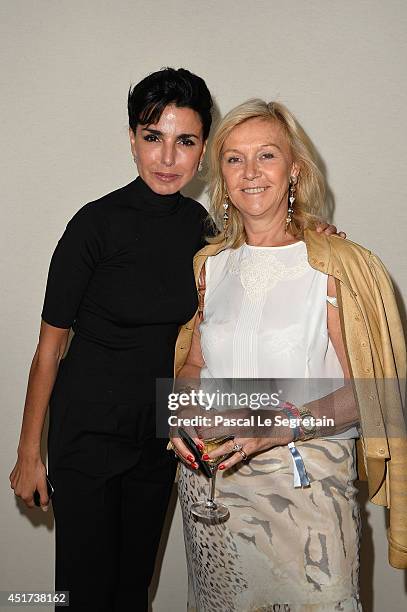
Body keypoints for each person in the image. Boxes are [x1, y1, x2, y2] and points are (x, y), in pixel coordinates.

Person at [9, 67, 340, 611]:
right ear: (133, 141)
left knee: (131, 589)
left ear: (204, 148)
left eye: (184, 141)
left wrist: (314, 233)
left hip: (162, 439)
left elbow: (259, 246)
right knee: (82, 594)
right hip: (87, 435)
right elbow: (48, 350)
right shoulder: (93, 226)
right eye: (152, 138)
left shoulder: (204, 231)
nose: (167, 158)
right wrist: (29, 454)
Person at [170, 99, 407, 611]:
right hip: (212, 488)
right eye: (234, 159)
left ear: (294, 169)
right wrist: (182, 416)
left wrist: (275, 427)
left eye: (266, 156)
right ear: (221, 175)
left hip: (305, 490)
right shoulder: (209, 266)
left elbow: (372, 394)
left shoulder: (337, 264)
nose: (249, 172)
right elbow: (191, 366)